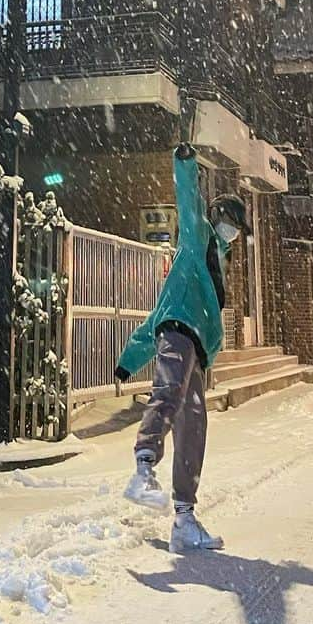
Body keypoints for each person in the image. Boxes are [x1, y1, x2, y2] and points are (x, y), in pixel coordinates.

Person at [117, 143, 251, 554]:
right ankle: (143, 467)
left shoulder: (217, 258)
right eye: (232, 223)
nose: (233, 232)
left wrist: (127, 361)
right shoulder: (198, 237)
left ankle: (184, 518)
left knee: (194, 425)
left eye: (237, 228)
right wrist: (185, 162)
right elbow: (187, 197)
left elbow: (153, 316)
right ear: (219, 218)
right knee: (169, 392)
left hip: (192, 344)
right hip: (178, 333)